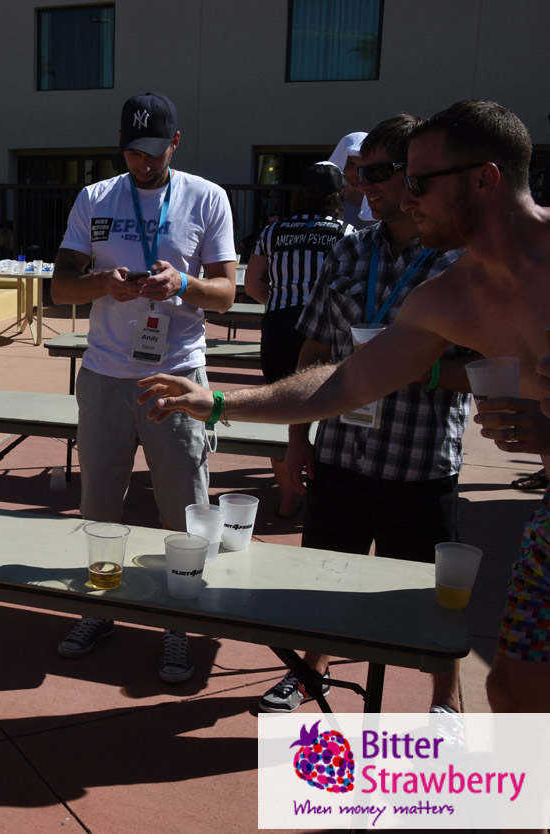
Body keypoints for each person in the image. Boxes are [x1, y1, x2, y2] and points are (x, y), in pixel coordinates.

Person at [139, 100, 550, 714]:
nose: (403, 198)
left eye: (417, 182)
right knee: (515, 693)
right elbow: (343, 383)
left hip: (422, 466)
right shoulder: (451, 297)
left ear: (485, 179)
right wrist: (219, 401)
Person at [259, 116, 472, 714]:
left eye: (377, 172)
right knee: (324, 579)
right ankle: (311, 674)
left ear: (416, 175)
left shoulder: (458, 262)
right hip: (343, 455)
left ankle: (446, 699)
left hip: (419, 465)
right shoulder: (350, 250)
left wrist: (413, 368)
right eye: (359, 173)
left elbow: (483, 367)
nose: (363, 185)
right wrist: (298, 443)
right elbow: (314, 353)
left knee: (433, 598)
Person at [49, 92, 237, 683]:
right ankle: (100, 607)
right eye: (132, 152)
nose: (142, 163)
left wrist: (183, 282)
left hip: (176, 373)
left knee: (182, 508)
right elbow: (61, 287)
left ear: (174, 144)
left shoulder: (207, 198)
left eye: (153, 152)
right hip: (105, 375)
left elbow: (229, 292)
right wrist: (102, 282)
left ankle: (177, 622)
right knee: (100, 505)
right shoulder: (95, 197)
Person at [244, 162, 354, 516]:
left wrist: (279, 304)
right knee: (331, 406)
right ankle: (325, 489)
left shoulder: (272, 232)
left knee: (281, 405)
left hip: (279, 324)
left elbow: (253, 285)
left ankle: (289, 495)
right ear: (336, 197)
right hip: (327, 330)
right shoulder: (346, 232)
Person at [328, 132, 375, 230]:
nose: (357, 172)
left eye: (363, 166)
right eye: (352, 164)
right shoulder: (328, 201)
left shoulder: (382, 199)